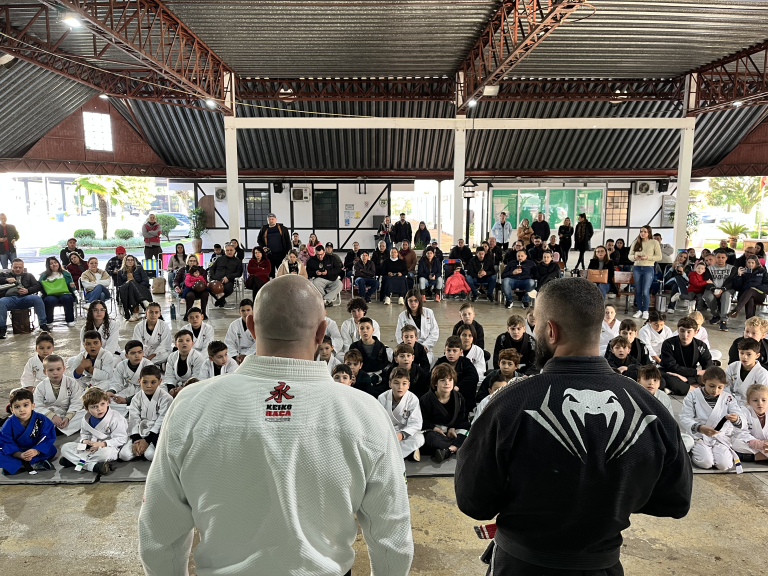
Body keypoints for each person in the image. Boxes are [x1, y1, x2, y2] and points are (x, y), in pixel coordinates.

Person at [138, 275, 414, 575]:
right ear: (322, 332)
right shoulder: (365, 413)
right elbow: (392, 538)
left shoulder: (191, 405)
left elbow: (159, 533)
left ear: (252, 327)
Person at [456, 276, 692, 574]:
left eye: (536, 325)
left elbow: (472, 500)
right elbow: (676, 500)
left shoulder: (509, 404)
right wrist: (614, 499)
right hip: (602, 566)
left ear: (551, 330)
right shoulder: (648, 408)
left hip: (521, 565)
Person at [679, 366, 742, 471]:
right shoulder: (693, 395)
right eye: (712, 386)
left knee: (724, 465)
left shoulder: (728, 398)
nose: (715, 390)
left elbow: (739, 414)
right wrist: (700, 428)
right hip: (700, 436)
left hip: (720, 437)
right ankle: (692, 452)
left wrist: (735, 418)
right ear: (704, 381)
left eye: (720, 387)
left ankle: (717, 454)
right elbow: (685, 417)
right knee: (706, 462)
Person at [59, 387, 127, 475]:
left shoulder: (116, 418)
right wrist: (85, 441)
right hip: (89, 447)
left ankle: (76, 461)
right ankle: (93, 465)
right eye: (94, 407)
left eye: (102, 404)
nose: (99, 409)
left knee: (104, 454)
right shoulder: (86, 419)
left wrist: (101, 444)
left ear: (107, 402)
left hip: (108, 447)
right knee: (65, 448)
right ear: (87, 409)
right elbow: (84, 434)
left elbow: (121, 439)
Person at [116, 365, 171, 463]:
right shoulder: (136, 398)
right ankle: (139, 447)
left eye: (153, 382)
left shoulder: (166, 398)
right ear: (139, 381)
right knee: (124, 455)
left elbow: (162, 420)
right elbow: (133, 419)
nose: (149, 386)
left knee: (150, 454)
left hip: (156, 434)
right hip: (139, 431)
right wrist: (136, 439)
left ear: (160, 382)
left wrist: (147, 440)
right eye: (145, 382)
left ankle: (144, 449)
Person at [637, 365, 695, 452]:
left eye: (655, 380)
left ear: (659, 383)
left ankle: (662, 453)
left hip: (661, 433)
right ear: (638, 381)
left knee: (688, 440)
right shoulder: (633, 395)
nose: (651, 383)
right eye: (646, 379)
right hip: (641, 434)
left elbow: (670, 422)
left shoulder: (663, 397)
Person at [420, 363, 470, 463]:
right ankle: (458, 445)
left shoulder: (459, 397)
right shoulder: (426, 399)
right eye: (442, 380)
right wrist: (435, 428)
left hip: (454, 430)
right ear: (435, 383)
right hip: (436, 431)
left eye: (450, 380)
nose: (447, 383)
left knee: (469, 427)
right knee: (430, 438)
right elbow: (422, 420)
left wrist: (453, 427)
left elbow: (462, 416)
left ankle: (449, 450)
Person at [0, 389, 57, 475]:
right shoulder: (9, 423)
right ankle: (33, 464)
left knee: (52, 449)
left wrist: (36, 450)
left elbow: (47, 437)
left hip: (35, 449)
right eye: (17, 407)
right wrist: (19, 454)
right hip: (16, 451)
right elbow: (5, 441)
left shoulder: (41, 419)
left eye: (25, 405)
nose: (21, 409)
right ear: (12, 410)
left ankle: (16, 466)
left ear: (33, 406)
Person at [377, 367, 424, 461]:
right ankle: (407, 452)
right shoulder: (382, 398)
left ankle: (391, 457)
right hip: (388, 432)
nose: (400, 387)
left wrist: (401, 435)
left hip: (404, 432)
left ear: (408, 385)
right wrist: (389, 434)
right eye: (396, 383)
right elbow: (378, 421)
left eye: (404, 383)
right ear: (390, 384)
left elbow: (415, 423)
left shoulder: (413, 399)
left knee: (419, 439)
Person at [33, 354, 84, 436]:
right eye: (51, 370)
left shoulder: (72, 382)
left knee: (86, 413)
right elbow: (37, 405)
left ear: (64, 369)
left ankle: (56, 429)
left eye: (58, 369)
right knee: (30, 415)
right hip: (49, 414)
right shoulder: (41, 386)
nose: (55, 373)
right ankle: (58, 428)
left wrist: (68, 417)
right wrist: (52, 416)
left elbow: (77, 402)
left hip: (68, 414)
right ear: (44, 372)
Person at [661, 316, 713, 395]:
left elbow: (708, 366)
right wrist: (697, 372)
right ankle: (694, 389)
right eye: (682, 331)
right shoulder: (668, 343)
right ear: (678, 330)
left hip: (690, 375)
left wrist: (689, 378)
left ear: (696, 332)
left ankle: (682, 386)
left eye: (689, 332)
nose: (685, 335)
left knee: (712, 376)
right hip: (671, 373)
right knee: (665, 378)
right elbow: (671, 366)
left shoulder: (701, 346)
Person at [0, 258, 51, 337]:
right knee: (1, 302)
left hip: (25, 298)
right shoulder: (5, 275)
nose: (18, 269)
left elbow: (38, 286)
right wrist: (6, 279)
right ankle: (2, 328)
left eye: (20, 267)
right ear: (12, 267)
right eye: (15, 267)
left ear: (23, 268)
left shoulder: (29, 275)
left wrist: (28, 290)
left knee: (37, 298)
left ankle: (43, 324)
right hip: (9, 299)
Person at [433, 336, 480, 413]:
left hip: (463, 400)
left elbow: (474, 377)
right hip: (443, 397)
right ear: (445, 351)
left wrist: (458, 387)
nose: (451, 353)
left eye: (454, 351)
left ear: (461, 352)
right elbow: (432, 377)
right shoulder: (441, 362)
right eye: (448, 350)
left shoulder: (466, 362)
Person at [395, 289, 439, 363]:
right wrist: (409, 348)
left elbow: (435, 332)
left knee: (426, 361)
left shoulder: (429, 312)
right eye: (410, 301)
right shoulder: (402, 316)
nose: (413, 303)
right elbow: (399, 335)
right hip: (409, 350)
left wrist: (425, 346)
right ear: (407, 302)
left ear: (420, 301)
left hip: (425, 348)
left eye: (416, 300)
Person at [630, 225, 661, 320]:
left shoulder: (654, 242)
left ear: (649, 233)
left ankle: (645, 311)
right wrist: (635, 257)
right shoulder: (636, 242)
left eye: (644, 232)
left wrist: (648, 257)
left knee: (645, 291)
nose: (642, 233)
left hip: (648, 267)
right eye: (641, 231)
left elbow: (659, 257)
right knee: (638, 290)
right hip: (637, 267)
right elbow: (630, 256)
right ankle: (639, 310)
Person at [725, 338, 768, 405]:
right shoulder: (732, 367)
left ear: (757, 355)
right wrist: (730, 401)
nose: (744, 357)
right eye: (741, 353)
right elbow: (725, 386)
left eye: (749, 354)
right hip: (730, 402)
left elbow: (761, 396)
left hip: (751, 406)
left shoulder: (762, 374)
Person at [108, 340, 152, 406]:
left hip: (143, 391)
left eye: (140, 352)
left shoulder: (148, 365)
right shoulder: (121, 365)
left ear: (143, 353)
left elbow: (150, 388)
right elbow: (117, 383)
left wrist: (127, 400)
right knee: (110, 402)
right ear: (126, 355)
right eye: (133, 353)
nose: (137, 356)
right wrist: (111, 391)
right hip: (128, 389)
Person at [732, 383, 768, 463]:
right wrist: (757, 443)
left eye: (764, 400)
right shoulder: (744, 412)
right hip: (751, 443)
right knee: (736, 443)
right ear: (748, 402)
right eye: (755, 400)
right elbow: (740, 432)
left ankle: (753, 457)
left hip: (765, 445)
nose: (760, 403)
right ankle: (761, 456)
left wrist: (765, 443)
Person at [702, 249, 737, 331]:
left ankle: (723, 320)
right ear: (715, 258)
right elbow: (708, 281)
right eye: (718, 257)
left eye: (723, 257)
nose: (720, 259)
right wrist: (714, 290)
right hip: (713, 289)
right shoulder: (709, 269)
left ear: (726, 258)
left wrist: (722, 289)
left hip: (727, 289)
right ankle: (716, 315)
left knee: (726, 296)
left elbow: (731, 281)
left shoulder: (732, 268)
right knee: (708, 297)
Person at [39, 256, 77, 328]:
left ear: (58, 263)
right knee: (49, 300)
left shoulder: (66, 274)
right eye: (51, 263)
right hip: (50, 294)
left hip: (65, 293)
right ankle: (49, 321)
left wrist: (72, 286)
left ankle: (70, 320)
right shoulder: (44, 275)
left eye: (55, 262)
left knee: (67, 298)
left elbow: (72, 288)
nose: (54, 264)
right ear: (48, 266)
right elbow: (40, 287)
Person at [729, 254, 768, 320]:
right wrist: (739, 276)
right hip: (744, 296)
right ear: (746, 263)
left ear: (756, 263)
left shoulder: (762, 271)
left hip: (759, 294)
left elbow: (766, 285)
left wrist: (756, 288)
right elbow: (737, 287)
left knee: (751, 290)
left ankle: (736, 310)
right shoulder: (744, 272)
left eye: (752, 263)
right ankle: (750, 322)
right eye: (749, 262)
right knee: (750, 299)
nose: (750, 264)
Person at [117, 254, 152, 321]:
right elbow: (119, 285)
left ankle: (135, 315)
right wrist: (128, 283)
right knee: (131, 283)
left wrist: (137, 287)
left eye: (132, 260)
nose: (130, 261)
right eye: (128, 260)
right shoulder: (120, 272)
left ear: (134, 261)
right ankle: (143, 300)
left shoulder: (139, 269)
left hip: (140, 288)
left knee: (133, 289)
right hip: (126, 290)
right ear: (125, 261)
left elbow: (145, 281)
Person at [174, 254, 210, 319]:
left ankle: (203, 313)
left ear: (197, 262)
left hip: (200, 289)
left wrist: (206, 284)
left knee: (205, 294)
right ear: (187, 262)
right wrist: (176, 286)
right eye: (190, 261)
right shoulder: (182, 270)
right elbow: (176, 280)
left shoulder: (202, 270)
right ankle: (188, 314)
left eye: (194, 261)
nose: (192, 262)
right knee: (190, 295)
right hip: (189, 289)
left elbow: (205, 281)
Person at [208, 244, 242, 309]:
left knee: (228, 288)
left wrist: (228, 277)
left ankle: (220, 300)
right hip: (216, 279)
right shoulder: (219, 259)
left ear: (234, 251)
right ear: (224, 251)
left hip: (228, 281)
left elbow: (239, 273)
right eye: (227, 250)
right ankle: (221, 300)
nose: (229, 252)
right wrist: (213, 277)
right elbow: (211, 268)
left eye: (231, 250)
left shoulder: (238, 261)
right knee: (208, 287)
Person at [224, 299, 257, 364]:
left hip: (253, 355)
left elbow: (258, 343)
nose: (245, 313)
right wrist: (235, 356)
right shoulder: (234, 325)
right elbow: (229, 342)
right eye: (243, 310)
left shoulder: (257, 325)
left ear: (253, 311)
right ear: (239, 312)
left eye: (248, 310)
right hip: (238, 356)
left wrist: (246, 355)